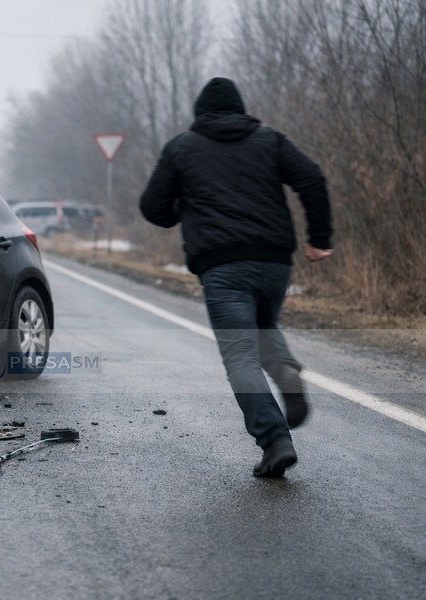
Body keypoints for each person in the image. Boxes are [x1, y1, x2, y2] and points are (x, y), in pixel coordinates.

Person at [139, 77, 333, 478]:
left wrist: (182, 210)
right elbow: (312, 178)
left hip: (223, 267)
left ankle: (274, 438)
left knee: (240, 354)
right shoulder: (270, 140)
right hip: (275, 263)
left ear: (199, 113)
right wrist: (319, 239)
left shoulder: (182, 148)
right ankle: (286, 372)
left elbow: (152, 206)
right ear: (241, 108)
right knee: (263, 327)